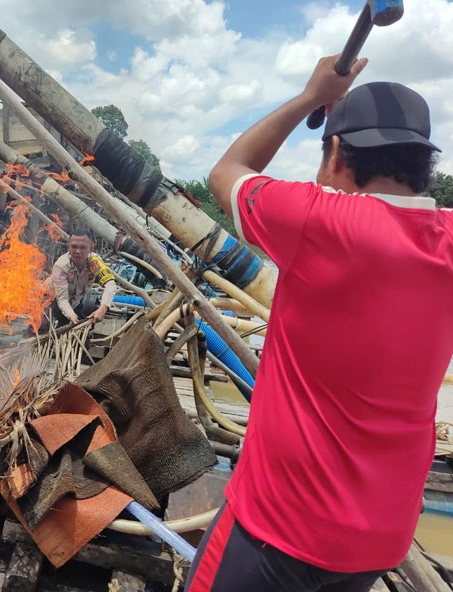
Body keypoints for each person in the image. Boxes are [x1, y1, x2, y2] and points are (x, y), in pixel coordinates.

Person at [185, 55, 453, 591]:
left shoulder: (318, 222)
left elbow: (227, 174)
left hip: (277, 528)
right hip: (377, 542)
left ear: (335, 152)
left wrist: (311, 96)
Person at [49, 229, 117, 325]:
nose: (77, 251)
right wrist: (72, 317)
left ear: (91, 248)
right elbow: (62, 300)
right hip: (50, 301)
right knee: (41, 332)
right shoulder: (61, 266)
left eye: (83, 247)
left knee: (78, 333)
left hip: (76, 301)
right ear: (68, 247)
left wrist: (103, 308)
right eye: (74, 247)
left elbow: (110, 284)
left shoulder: (94, 262)